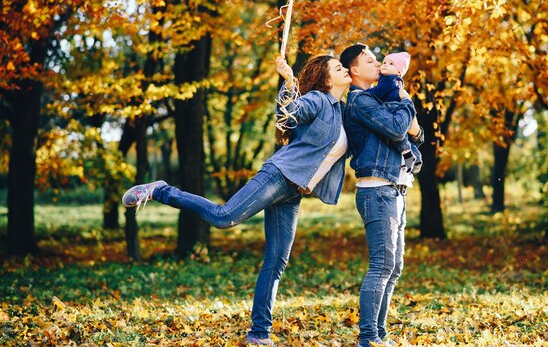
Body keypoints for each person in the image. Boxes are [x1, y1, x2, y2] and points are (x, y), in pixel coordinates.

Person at [121, 55, 352, 346]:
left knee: (276, 261)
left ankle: (258, 334)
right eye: (338, 68)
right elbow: (289, 114)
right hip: (278, 176)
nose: (344, 70)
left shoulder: (343, 112)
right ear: (328, 79)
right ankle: (162, 190)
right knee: (224, 216)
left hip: (294, 192)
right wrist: (289, 80)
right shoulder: (318, 100)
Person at [339, 44, 423, 347]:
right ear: (355, 71)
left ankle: (379, 333)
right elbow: (397, 127)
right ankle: (368, 337)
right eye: (371, 61)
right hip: (378, 191)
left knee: (394, 267)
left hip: (396, 189)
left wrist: (409, 122)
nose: (378, 64)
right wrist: (406, 100)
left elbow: (416, 133)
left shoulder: (378, 97)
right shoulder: (360, 101)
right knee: (381, 266)